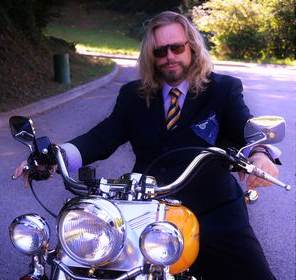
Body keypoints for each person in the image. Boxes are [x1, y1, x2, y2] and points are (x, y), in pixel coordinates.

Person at [14, 11, 280, 280]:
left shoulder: (222, 89)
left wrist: (260, 154)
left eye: (176, 47)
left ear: (192, 47)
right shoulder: (133, 95)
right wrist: (50, 157)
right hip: (146, 214)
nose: (169, 57)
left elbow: (245, 130)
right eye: (160, 51)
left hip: (214, 215)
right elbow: (102, 137)